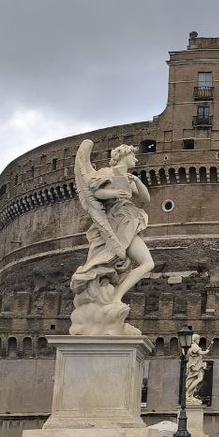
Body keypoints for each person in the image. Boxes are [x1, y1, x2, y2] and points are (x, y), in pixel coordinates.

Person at [70, 141, 156, 334]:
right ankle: (114, 297)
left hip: (129, 219)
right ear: (123, 155)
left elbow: (146, 199)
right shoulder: (107, 173)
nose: (136, 158)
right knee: (128, 258)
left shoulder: (128, 177)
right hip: (115, 221)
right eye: (133, 155)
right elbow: (96, 192)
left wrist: (137, 181)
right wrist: (114, 192)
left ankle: (116, 297)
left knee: (147, 263)